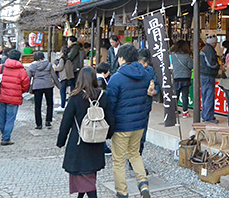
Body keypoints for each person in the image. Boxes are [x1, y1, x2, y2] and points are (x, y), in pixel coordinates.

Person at [57, 66, 114, 198]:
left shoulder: (75, 98)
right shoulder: (103, 96)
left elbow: (66, 122)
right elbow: (111, 119)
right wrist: (107, 135)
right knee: (89, 173)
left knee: (83, 175)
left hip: (79, 141)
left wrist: (61, 141)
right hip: (97, 140)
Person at [107, 44, 152, 198]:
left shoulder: (116, 78)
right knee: (135, 154)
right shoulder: (145, 75)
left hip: (121, 125)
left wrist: (109, 124)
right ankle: (143, 185)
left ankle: (122, 193)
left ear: (122, 58)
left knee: (118, 161)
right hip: (139, 123)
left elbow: (110, 104)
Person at [0, 49, 30, 146]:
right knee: (10, 119)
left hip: (1, 97)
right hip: (14, 99)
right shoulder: (22, 71)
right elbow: (26, 85)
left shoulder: (1, 68)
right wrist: (19, 91)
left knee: (2, 117)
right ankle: (6, 138)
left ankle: (4, 135)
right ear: (19, 58)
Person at [28, 51, 60, 129]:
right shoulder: (48, 64)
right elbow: (54, 76)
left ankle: (38, 124)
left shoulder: (32, 66)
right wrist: (59, 86)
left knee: (37, 105)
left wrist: (27, 88)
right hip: (48, 85)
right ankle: (48, 121)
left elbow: (28, 77)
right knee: (49, 103)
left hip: (37, 86)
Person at [137, 49, 159, 159]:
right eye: (142, 62)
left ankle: (137, 156)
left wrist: (155, 92)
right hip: (134, 106)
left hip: (145, 105)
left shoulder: (150, 70)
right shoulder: (131, 71)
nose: (145, 65)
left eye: (146, 62)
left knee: (142, 134)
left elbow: (157, 84)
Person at [199, 34, 219, 124]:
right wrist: (219, 66)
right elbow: (211, 63)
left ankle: (205, 114)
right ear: (214, 43)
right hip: (208, 75)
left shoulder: (204, 49)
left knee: (205, 96)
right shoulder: (209, 50)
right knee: (209, 96)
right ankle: (208, 116)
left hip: (203, 75)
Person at [170, 40, 193, 118]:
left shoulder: (173, 56)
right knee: (185, 96)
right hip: (186, 78)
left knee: (175, 95)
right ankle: (185, 113)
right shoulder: (187, 56)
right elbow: (191, 66)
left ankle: (174, 111)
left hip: (176, 78)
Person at [55, 46, 76, 113]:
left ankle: (62, 105)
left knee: (62, 92)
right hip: (70, 77)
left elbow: (60, 68)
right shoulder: (69, 59)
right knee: (71, 92)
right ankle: (70, 104)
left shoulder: (62, 59)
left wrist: (55, 67)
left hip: (64, 77)